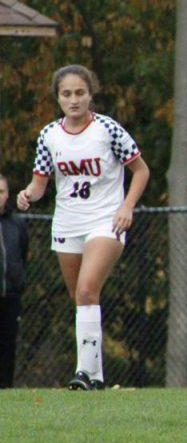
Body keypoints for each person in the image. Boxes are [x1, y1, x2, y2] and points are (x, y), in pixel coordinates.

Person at [16, 65, 150, 391]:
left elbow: (141, 170)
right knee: (81, 298)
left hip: (106, 220)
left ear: (91, 93)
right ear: (58, 97)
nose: (74, 100)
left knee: (87, 289)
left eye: (80, 93)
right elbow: (40, 184)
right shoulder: (49, 135)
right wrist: (26, 195)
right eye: (67, 94)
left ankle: (83, 373)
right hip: (67, 222)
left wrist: (127, 207)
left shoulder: (108, 130)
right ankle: (97, 377)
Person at [0, 174, 30, 389]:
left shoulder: (16, 224)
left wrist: (18, 282)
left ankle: (6, 389)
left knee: (7, 345)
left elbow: (22, 254)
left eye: (1, 192)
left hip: (9, 296)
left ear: (7, 194)